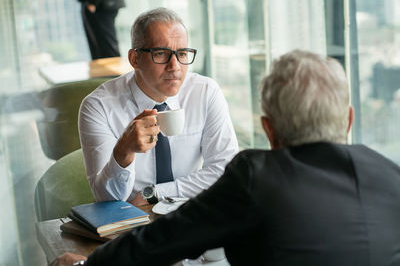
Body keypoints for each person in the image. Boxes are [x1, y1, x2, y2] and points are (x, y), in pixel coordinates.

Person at [59, 49, 400, 265]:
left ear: (269, 129)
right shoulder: (391, 175)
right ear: (350, 119)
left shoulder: (256, 177)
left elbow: (159, 243)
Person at [78, 7, 239, 206]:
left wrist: (154, 193)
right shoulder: (98, 107)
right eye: (161, 53)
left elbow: (226, 170)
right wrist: (123, 153)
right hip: (132, 221)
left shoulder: (205, 92)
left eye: (182, 53)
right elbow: (107, 200)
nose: (175, 66)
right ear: (134, 59)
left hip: (190, 214)